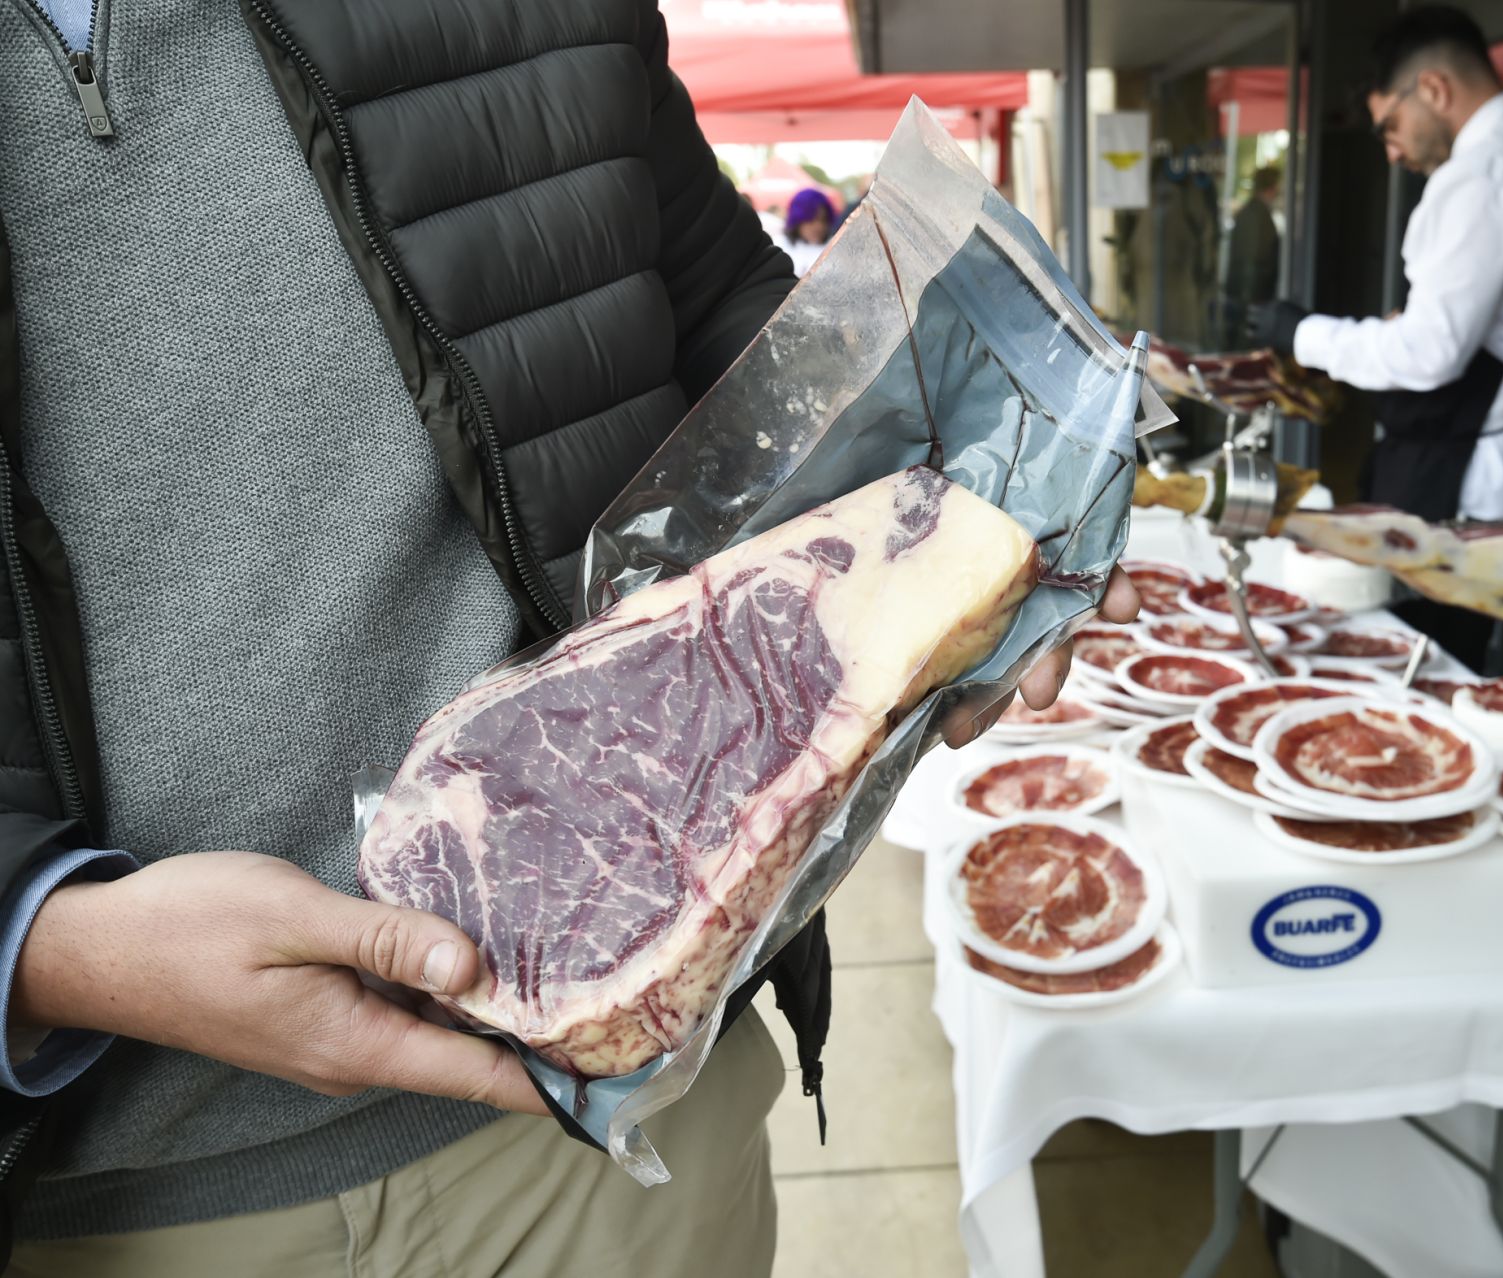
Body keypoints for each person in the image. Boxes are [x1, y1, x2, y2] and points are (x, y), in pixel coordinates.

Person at [0, 1, 1132, 1273]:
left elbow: (717, 312)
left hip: (622, 1126)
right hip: (122, 1209)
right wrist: (48, 946)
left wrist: (978, 496)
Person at [1257, 5, 1503, 669]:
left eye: (1390, 126)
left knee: (1421, 663)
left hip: (1461, 471)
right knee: (1479, 651)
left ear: (1432, 89)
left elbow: (1431, 353)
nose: (1392, 150)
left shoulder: (1484, 170)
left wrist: (1302, 333)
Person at [1224, 166, 1283, 347]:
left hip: (1244, 296)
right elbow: (1255, 261)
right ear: (1271, 187)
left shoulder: (1250, 212)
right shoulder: (1258, 215)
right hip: (1251, 298)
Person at [780, 187, 835, 276]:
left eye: (823, 220)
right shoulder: (780, 246)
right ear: (797, 220)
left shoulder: (834, 246)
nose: (819, 226)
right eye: (811, 220)